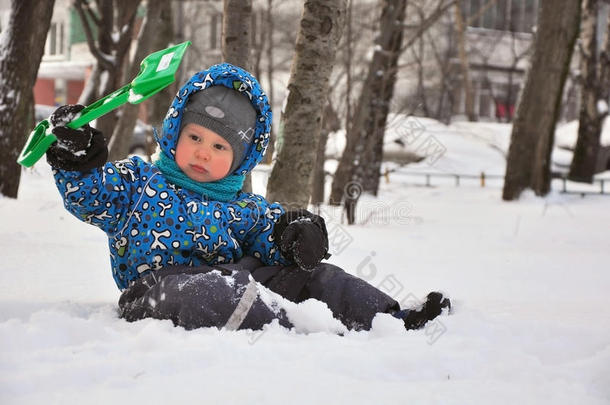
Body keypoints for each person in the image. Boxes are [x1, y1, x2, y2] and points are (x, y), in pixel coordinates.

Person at [46, 63, 450, 332]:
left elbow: (270, 233)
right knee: (217, 291)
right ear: (173, 133)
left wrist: (297, 231)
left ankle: (392, 321)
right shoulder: (138, 182)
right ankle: (296, 333)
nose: (204, 152)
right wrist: (79, 164)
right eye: (195, 137)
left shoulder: (243, 206)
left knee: (319, 278)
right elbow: (94, 195)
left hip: (244, 281)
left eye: (220, 147)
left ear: (240, 161)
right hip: (156, 291)